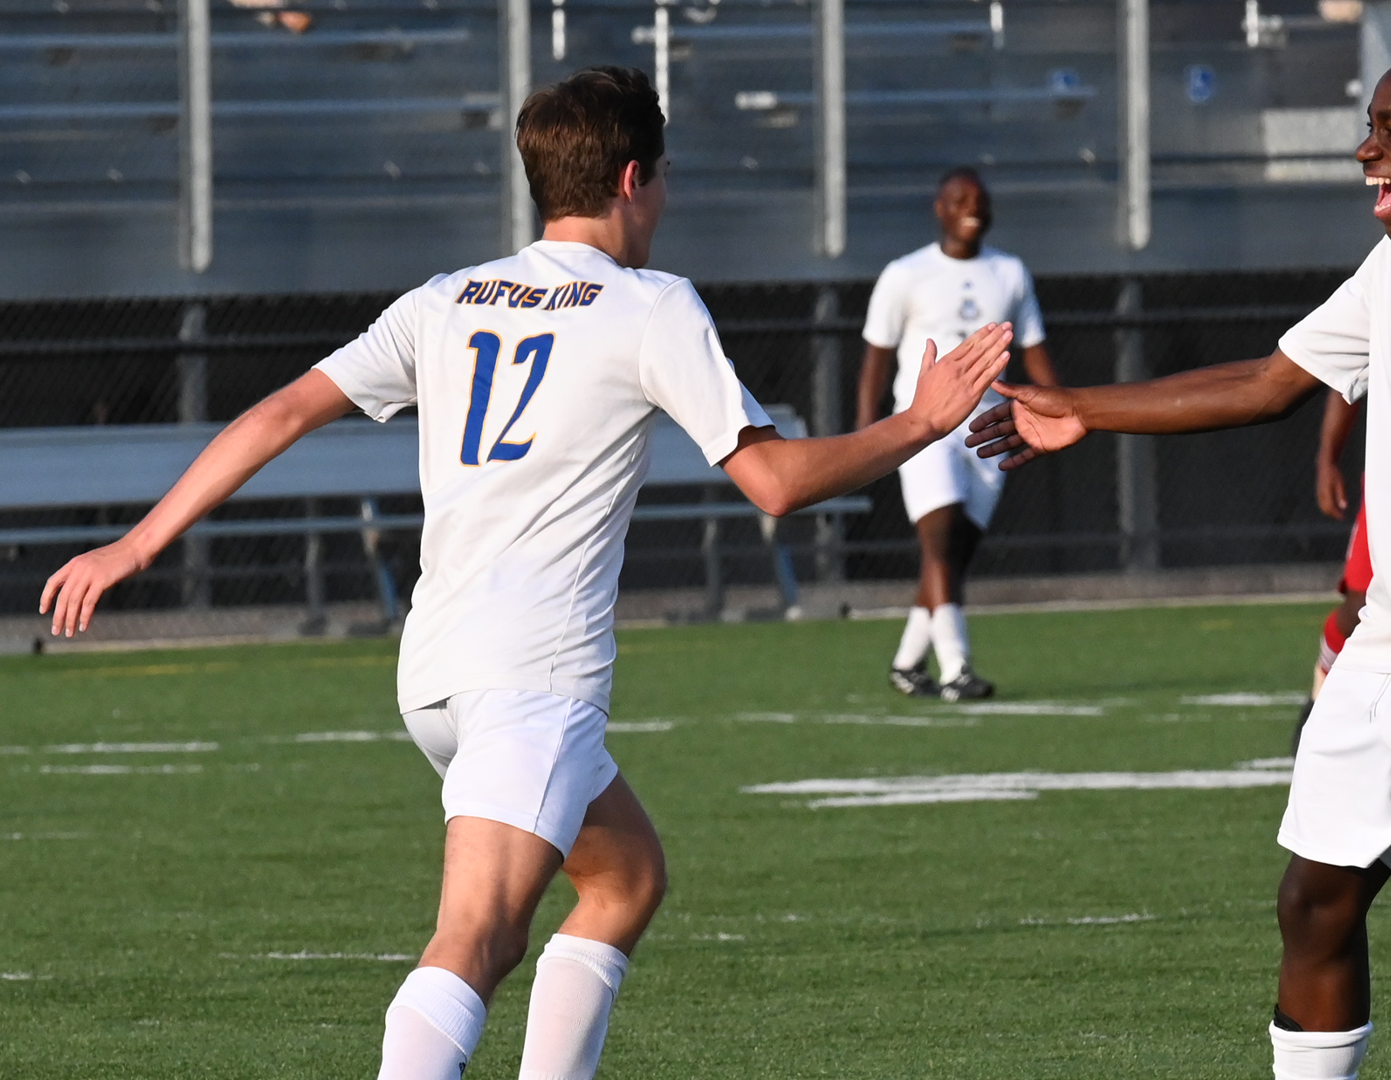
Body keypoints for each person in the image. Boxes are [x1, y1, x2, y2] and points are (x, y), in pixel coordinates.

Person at [39, 67, 1012, 1080]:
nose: (666, 200)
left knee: (626, 879)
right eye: (665, 178)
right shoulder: (651, 305)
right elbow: (773, 483)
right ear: (634, 178)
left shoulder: (445, 299)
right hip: (532, 679)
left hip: (437, 675)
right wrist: (921, 423)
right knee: (477, 938)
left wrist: (138, 542)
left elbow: (279, 410)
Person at [970, 34, 1391, 1080]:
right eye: (1370, 126)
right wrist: (1078, 408)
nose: (1368, 149)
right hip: (1387, 635)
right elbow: (1270, 381)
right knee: (1314, 903)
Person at [856, 167, 1056, 702]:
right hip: (925, 425)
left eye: (982, 199)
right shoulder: (906, 273)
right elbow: (876, 355)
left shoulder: (1010, 272)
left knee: (953, 555)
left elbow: (1033, 348)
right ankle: (957, 668)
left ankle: (905, 664)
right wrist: (868, 429)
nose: (973, 207)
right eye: (961, 199)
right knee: (940, 542)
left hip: (990, 426)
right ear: (939, 209)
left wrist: (1065, 407)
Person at [1295, 392, 1370, 751]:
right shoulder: (1390, 332)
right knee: (1362, 607)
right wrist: (1328, 458)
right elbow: (1351, 371)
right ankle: (1326, 672)